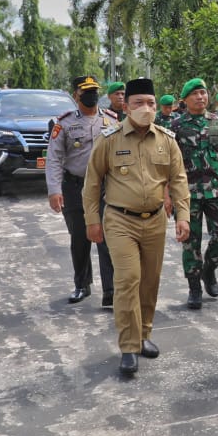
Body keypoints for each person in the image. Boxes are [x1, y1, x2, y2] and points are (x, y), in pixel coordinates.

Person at [82, 78, 190, 375]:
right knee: (128, 279)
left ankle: (143, 335)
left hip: (155, 220)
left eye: (151, 104)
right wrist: (92, 220)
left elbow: (178, 180)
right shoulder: (109, 139)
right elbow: (92, 183)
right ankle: (128, 346)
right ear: (126, 107)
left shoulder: (167, 140)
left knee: (149, 281)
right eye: (139, 103)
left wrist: (183, 216)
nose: (146, 109)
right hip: (119, 220)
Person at [45, 76, 117, 307]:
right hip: (75, 186)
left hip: (105, 188)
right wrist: (54, 190)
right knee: (80, 238)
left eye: (94, 91)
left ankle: (110, 290)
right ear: (76, 95)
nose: (91, 95)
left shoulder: (111, 121)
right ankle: (82, 284)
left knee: (106, 238)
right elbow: (54, 158)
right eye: (86, 91)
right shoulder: (64, 123)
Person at [171, 78, 218, 309]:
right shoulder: (176, 127)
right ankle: (194, 287)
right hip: (187, 194)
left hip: (216, 191)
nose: (201, 97)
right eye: (195, 93)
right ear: (185, 99)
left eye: (203, 93)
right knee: (191, 241)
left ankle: (209, 268)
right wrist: (169, 196)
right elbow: (169, 163)